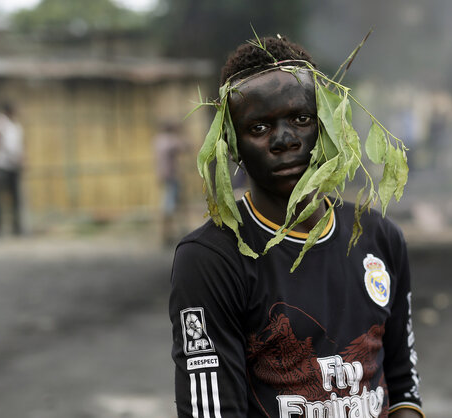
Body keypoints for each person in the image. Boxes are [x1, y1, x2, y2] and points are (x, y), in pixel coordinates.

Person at [169, 37, 424, 418]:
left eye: (301, 119)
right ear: (231, 144)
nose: (284, 140)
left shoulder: (379, 237)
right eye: (258, 127)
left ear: (326, 125)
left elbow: (403, 385)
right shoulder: (211, 259)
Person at [0, 100, 24, 237]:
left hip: (14, 166)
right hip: (1, 165)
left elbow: (19, 145)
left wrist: (21, 158)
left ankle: (17, 228)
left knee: (16, 198)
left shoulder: (16, 125)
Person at [154, 121, 188, 246]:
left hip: (164, 176)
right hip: (171, 177)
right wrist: (181, 133)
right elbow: (185, 146)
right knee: (168, 206)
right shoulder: (168, 141)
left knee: (171, 205)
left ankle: (168, 234)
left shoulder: (158, 140)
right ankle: (166, 235)